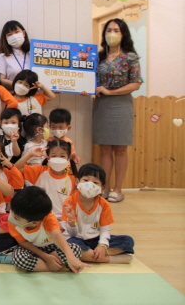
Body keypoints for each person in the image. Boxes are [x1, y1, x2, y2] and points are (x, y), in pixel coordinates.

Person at [86, 18, 143, 203]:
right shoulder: (98, 57)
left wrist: (110, 92)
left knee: (120, 149)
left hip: (121, 105)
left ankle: (117, 189)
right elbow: (87, 78)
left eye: (116, 30)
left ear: (123, 34)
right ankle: (105, 187)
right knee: (104, 149)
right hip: (102, 105)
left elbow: (136, 83)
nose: (112, 34)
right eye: (109, 30)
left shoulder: (130, 57)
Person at [62, 164, 134, 264]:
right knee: (69, 244)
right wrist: (72, 221)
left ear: (102, 188)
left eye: (95, 182)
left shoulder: (104, 204)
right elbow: (71, 234)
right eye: (86, 180)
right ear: (77, 182)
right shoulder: (69, 202)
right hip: (77, 239)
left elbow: (105, 229)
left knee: (127, 240)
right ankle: (107, 258)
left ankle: (90, 255)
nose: (90, 185)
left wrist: (102, 246)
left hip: (96, 239)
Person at [8, 186, 88, 273]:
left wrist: (70, 257)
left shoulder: (48, 219)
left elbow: (56, 235)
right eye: (12, 211)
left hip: (51, 247)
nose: (13, 217)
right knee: (19, 259)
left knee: (75, 249)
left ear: (34, 223)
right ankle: (56, 266)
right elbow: (23, 242)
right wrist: (46, 258)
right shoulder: (14, 221)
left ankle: (48, 264)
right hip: (31, 248)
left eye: (17, 217)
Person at [15, 140, 77, 221]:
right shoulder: (39, 171)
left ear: (68, 158)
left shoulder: (72, 179)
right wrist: (30, 154)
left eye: (62, 156)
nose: (58, 159)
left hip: (63, 221)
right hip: (42, 219)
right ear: (48, 156)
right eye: (54, 156)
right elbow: (15, 169)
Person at [0, 20, 31, 90]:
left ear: (23, 33)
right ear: (6, 38)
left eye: (16, 32)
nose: (14, 36)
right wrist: (19, 86)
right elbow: (1, 79)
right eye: (9, 34)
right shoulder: (2, 57)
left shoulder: (33, 54)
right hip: (10, 95)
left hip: (33, 95)